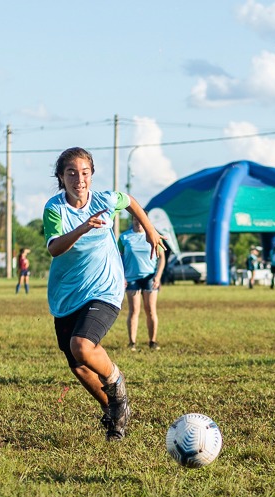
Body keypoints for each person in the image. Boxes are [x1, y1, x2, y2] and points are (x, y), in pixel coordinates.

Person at [44, 146, 161, 441]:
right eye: (71, 173)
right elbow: (54, 248)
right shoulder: (55, 208)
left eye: (84, 173)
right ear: (61, 177)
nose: (79, 179)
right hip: (67, 295)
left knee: (81, 346)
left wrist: (149, 229)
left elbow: (130, 201)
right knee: (80, 367)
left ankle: (116, 384)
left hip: (105, 288)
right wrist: (82, 228)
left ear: (92, 175)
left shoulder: (104, 200)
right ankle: (115, 412)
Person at [120, 218, 166, 350]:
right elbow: (117, 257)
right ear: (133, 220)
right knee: (134, 310)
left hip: (150, 277)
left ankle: (153, 341)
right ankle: (132, 342)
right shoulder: (124, 237)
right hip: (131, 278)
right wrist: (122, 276)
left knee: (150, 310)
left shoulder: (153, 234)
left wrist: (158, 276)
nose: (138, 222)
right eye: (136, 219)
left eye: (141, 220)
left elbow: (162, 257)